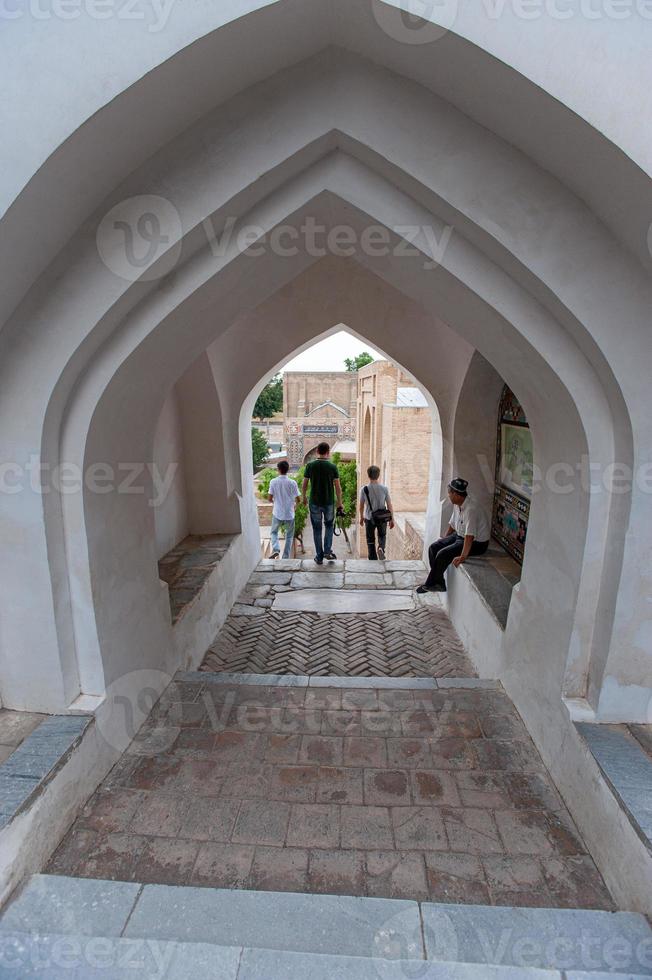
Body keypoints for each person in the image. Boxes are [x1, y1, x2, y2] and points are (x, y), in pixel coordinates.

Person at [417, 477, 490, 593]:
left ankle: (431, 583)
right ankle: (438, 582)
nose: (449, 496)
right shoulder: (457, 504)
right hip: (459, 536)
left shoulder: (471, 509)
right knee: (433, 548)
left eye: (450, 493)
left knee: (442, 554)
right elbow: (452, 524)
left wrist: (463, 557)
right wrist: (444, 540)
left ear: (456, 494)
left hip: (477, 544)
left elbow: (469, 536)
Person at [301, 443, 343, 565]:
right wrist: (340, 503)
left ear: (317, 451)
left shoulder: (310, 466)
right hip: (329, 502)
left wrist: (304, 498)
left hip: (314, 502)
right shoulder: (332, 467)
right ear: (328, 452)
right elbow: (338, 487)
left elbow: (304, 484)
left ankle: (319, 556)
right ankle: (327, 551)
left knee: (317, 529)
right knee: (329, 526)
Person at [359, 465, 394, 561]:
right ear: (378, 475)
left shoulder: (364, 489)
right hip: (382, 517)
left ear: (368, 475)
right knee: (382, 535)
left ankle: (372, 558)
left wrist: (361, 517)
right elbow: (389, 504)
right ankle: (381, 548)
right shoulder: (384, 488)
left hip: (369, 518)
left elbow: (361, 505)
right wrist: (392, 519)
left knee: (370, 540)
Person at [268, 460, 300, 559]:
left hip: (277, 512)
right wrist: (295, 507)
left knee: (274, 532)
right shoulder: (292, 482)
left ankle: (276, 549)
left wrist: (276, 502)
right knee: (289, 536)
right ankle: (285, 557)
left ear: (278, 469)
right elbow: (298, 499)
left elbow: (269, 498)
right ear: (287, 470)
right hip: (290, 513)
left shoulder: (273, 481)